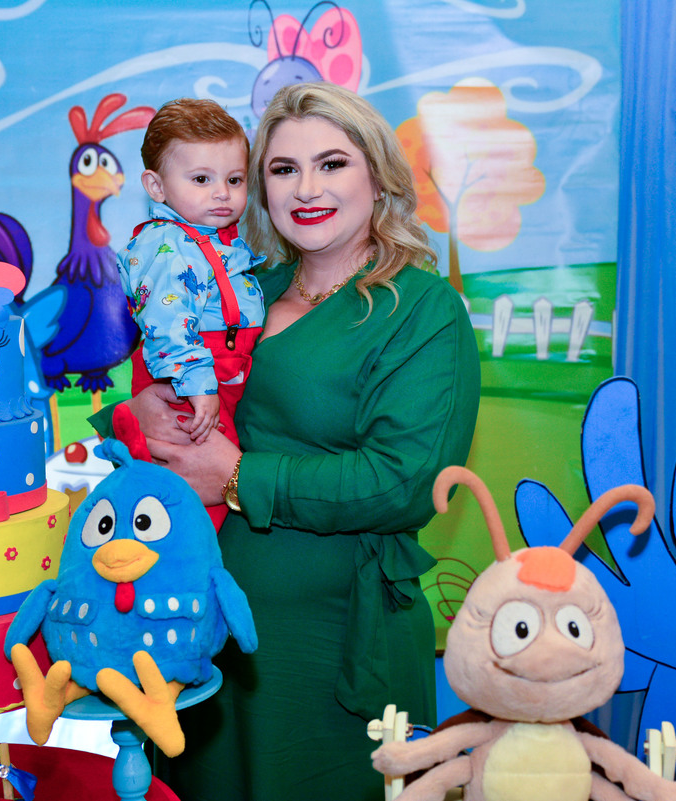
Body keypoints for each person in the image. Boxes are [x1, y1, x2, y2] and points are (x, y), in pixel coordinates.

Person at [128, 82, 480, 801]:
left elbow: (405, 481)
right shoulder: (242, 288)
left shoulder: (424, 310)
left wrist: (239, 476)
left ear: (378, 176)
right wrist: (139, 411)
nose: (307, 188)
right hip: (199, 635)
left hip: (330, 651)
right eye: (283, 169)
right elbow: (160, 397)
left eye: (332, 164)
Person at [117, 97, 266, 457]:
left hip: (221, 376)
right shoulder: (167, 244)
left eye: (235, 179)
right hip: (187, 380)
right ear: (156, 187)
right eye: (201, 179)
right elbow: (166, 319)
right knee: (198, 470)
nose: (222, 192)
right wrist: (197, 384)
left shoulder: (216, 241)